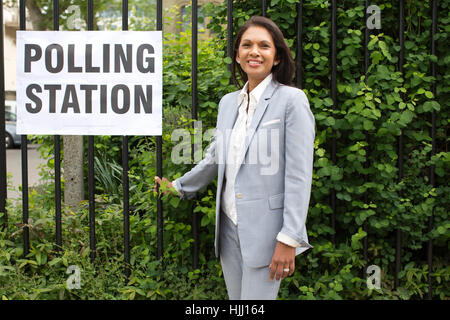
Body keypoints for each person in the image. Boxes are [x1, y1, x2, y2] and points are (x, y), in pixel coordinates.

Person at [154, 16, 315, 300]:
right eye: (247, 45)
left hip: (268, 233)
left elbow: (299, 174)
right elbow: (215, 158)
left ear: (276, 57)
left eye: (264, 46)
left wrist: (290, 237)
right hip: (228, 228)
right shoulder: (228, 103)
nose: (255, 51)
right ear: (238, 55)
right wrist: (178, 186)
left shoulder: (292, 100)